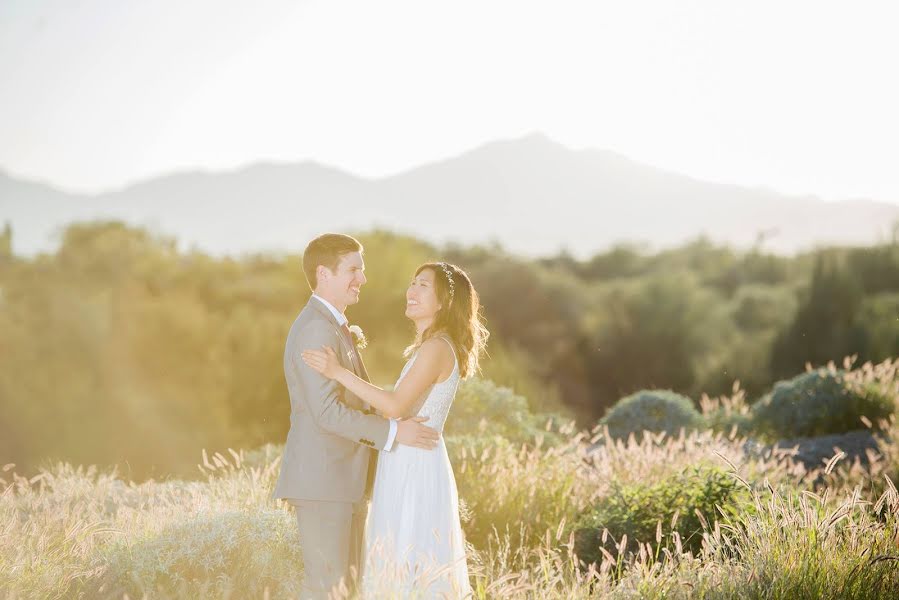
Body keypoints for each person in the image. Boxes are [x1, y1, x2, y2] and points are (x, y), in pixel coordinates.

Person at [303, 261, 488, 598]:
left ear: (444, 301)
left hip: (414, 464)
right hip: (407, 457)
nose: (411, 291)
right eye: (412, 282)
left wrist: (338, 372)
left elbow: (394, 406)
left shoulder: (436, 348)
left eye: (422, 285)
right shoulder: (430, 347)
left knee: (407, 557)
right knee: (399, 559)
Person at [272, 233, 441, 600]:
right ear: (323, 274)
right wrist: (394, 432)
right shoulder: (316, 328)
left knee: (344, 591)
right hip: (324, 481)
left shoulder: (334, 326)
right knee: (325, 590)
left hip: (343, 482)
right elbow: (328, 413)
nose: (362, 279)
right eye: (353, 270)